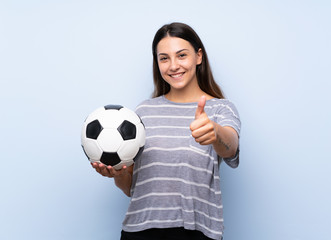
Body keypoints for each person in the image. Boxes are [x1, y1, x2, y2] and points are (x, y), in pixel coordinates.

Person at [92, 22, 241, 240]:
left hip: (196, 232)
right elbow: (132, 189)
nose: (173, 65)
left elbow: (231, 148)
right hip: (139, 231)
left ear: (198, 56)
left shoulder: (220, 109)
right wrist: (119, 173)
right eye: (164, 58)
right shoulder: (142, 112)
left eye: (182, 55)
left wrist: (215, 132)